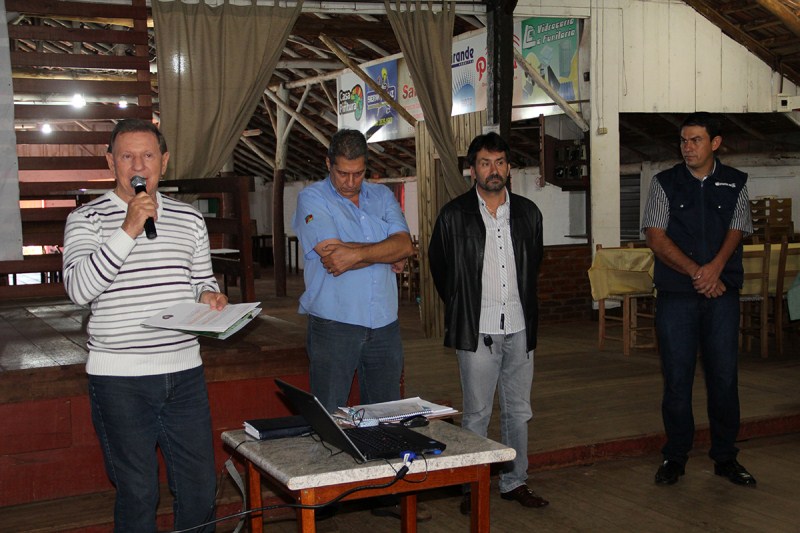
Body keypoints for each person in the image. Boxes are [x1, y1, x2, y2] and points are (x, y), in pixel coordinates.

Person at [62, 119, 228, 532]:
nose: (139, 166)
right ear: (110, 162)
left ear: (164, 162)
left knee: (200, 488)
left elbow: (202, 281)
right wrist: (128, 228)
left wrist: (209, 297)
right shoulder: (86, 219)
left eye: (148, 155)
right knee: (138, 493)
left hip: (184, 373)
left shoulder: (189, 218)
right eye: (127, 156)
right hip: (120, 380)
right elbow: (79, 290)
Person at [428, 132, 548, 513]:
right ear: (472, 170)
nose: (493, 170)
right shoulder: (453, 215)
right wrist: (462, 304)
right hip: (477, 329)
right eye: (484, 163)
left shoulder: (528, 213)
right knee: (477, 412)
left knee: (519, 411)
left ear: (509, 168)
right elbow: (440, 266)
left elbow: (535, 262)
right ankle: (471, 487)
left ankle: (515, 481)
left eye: (499, 163)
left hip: (519, 326)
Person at [641, 111, 757, 487]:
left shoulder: (736, 183)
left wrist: (715, 270)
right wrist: (697, 273)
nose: (687, 148)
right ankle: (675, 456)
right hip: (677, 297)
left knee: (724, 378)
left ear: (715, 143)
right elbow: (655, 236)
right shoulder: (664, 183)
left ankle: (725, 457)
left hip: (721, 295)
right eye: (683, 141)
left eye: (696, 140)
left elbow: (738, 228)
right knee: (677, 379)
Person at [292, 129, 413, 414]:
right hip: (334, 325)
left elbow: (405, 245)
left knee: (386, 416)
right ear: (328, 163)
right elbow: (333, 258)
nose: (350, 182)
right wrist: (386, 252)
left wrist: (355, 253)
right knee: (329, 416)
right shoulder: (312, 198)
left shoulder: (382, 196)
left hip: (384, 324)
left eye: (358, 174)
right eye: (343, 173)